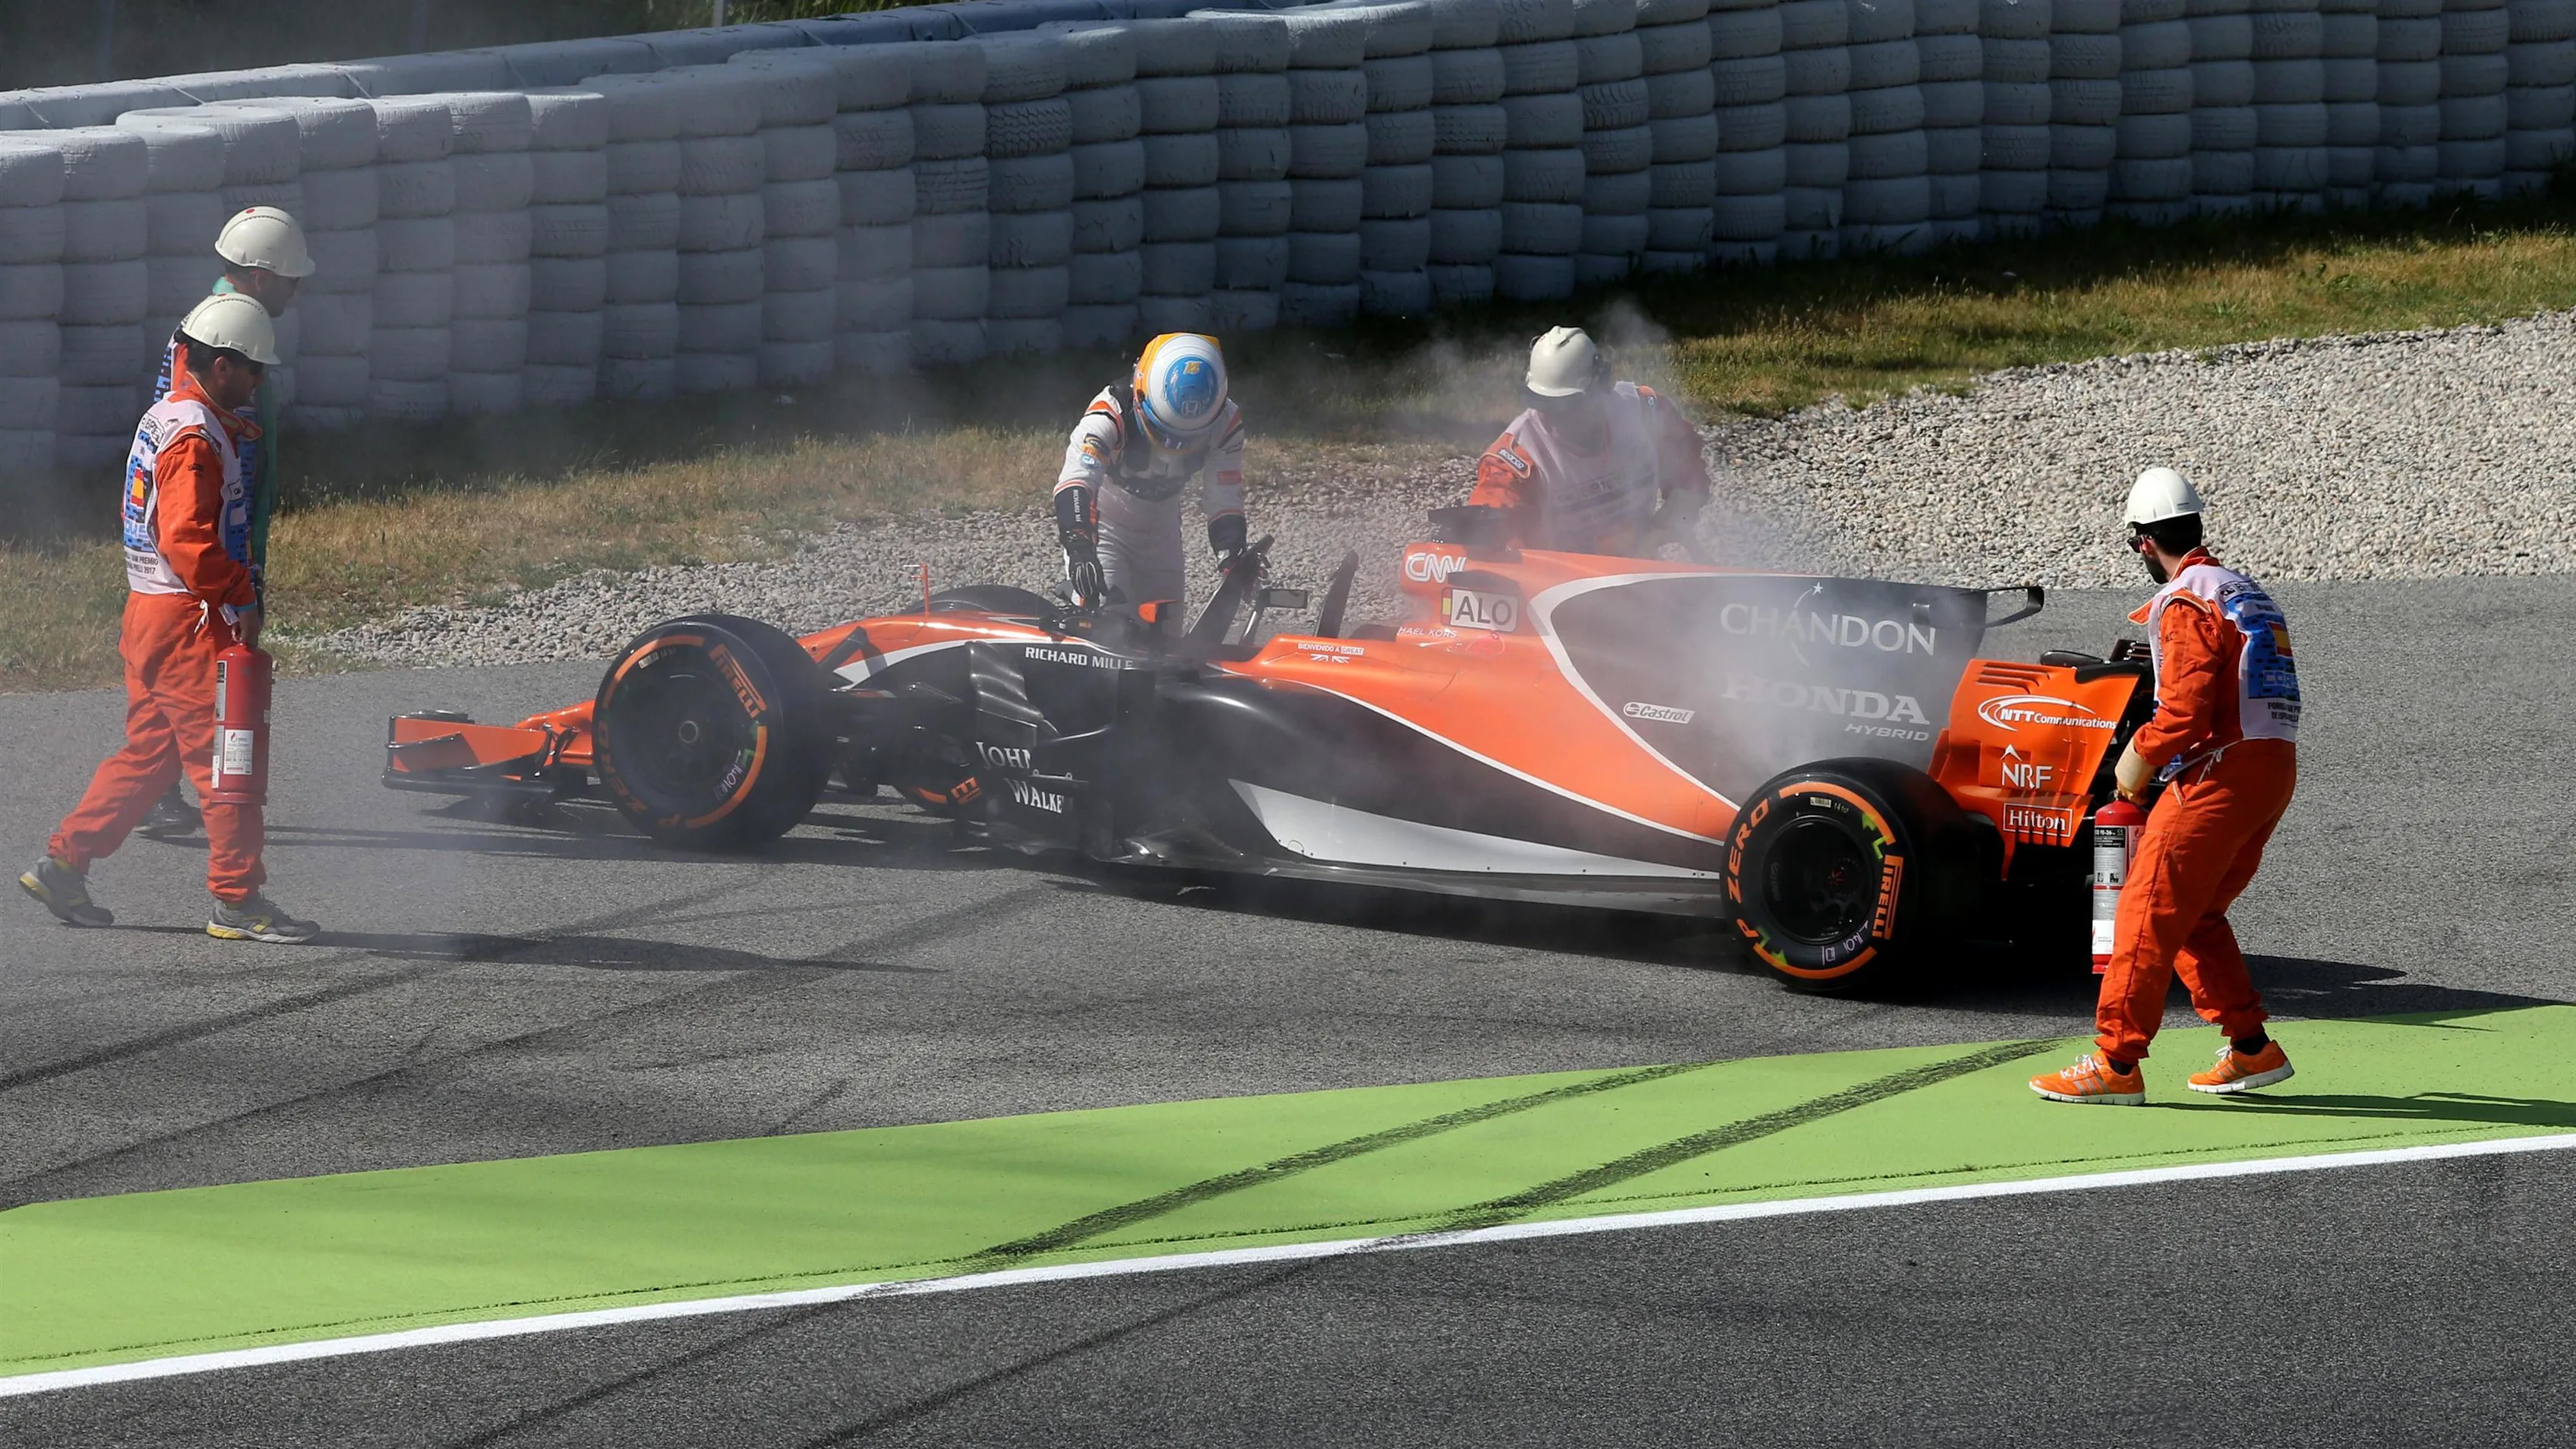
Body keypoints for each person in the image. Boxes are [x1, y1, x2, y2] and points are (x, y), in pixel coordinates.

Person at [19, 292, 320, 943]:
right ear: (221, 367)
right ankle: (238, 901)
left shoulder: (169, 414)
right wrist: (240, 594)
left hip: (148, 613)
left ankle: (64, 866)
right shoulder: (194, 439)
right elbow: (185, 540)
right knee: (228, 761)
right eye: (253, 370)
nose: (260, 382)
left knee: (151, 758)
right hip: (188, 618)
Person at [2030, 467, 2301, 1106]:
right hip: (2272, 766)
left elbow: (2184, 710)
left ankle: (2116, 1063)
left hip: (2217, 772)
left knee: (2144, 909)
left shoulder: (2184, 600)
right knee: (2196, 914)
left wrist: (2138, 760)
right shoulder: (2241, 589)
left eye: (2137, 547)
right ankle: (2252, 1048)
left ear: (2146, 542)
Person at [137, 207, 314, 842]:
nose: (298, 290)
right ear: (262, 276)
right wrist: (232, 562)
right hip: (208, 524)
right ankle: (186, 801)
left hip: (227, 512)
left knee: (195, 667)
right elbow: (196, 437)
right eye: (292, 279)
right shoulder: (219, 333)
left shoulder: (228, 322)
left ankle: (165, 792)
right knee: (199, 666)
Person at [1462, 327, 1711, 556]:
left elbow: (1687, 468)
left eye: (1566, 406)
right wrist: (1485, 536)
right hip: (1561, 583)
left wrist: (1671, 521)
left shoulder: (1646, 412)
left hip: (1639, 569)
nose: (1555, 419)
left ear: (1600, 387)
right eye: (1544, 405)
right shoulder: (1516, 459)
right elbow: (1491, 512)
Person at [1053, 332, 1247, 623]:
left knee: (1167, 635)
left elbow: (1224, 495)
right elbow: (1076, 479)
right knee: (1105, 627)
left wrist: (1232, 554)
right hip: (1106, 530)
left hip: (1163, 534)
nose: (1172, 449)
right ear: (1140, 399)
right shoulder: (1110, 412)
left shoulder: (1227, 421)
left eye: (1187, 438)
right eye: (1164, 433)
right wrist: (1079, 545)